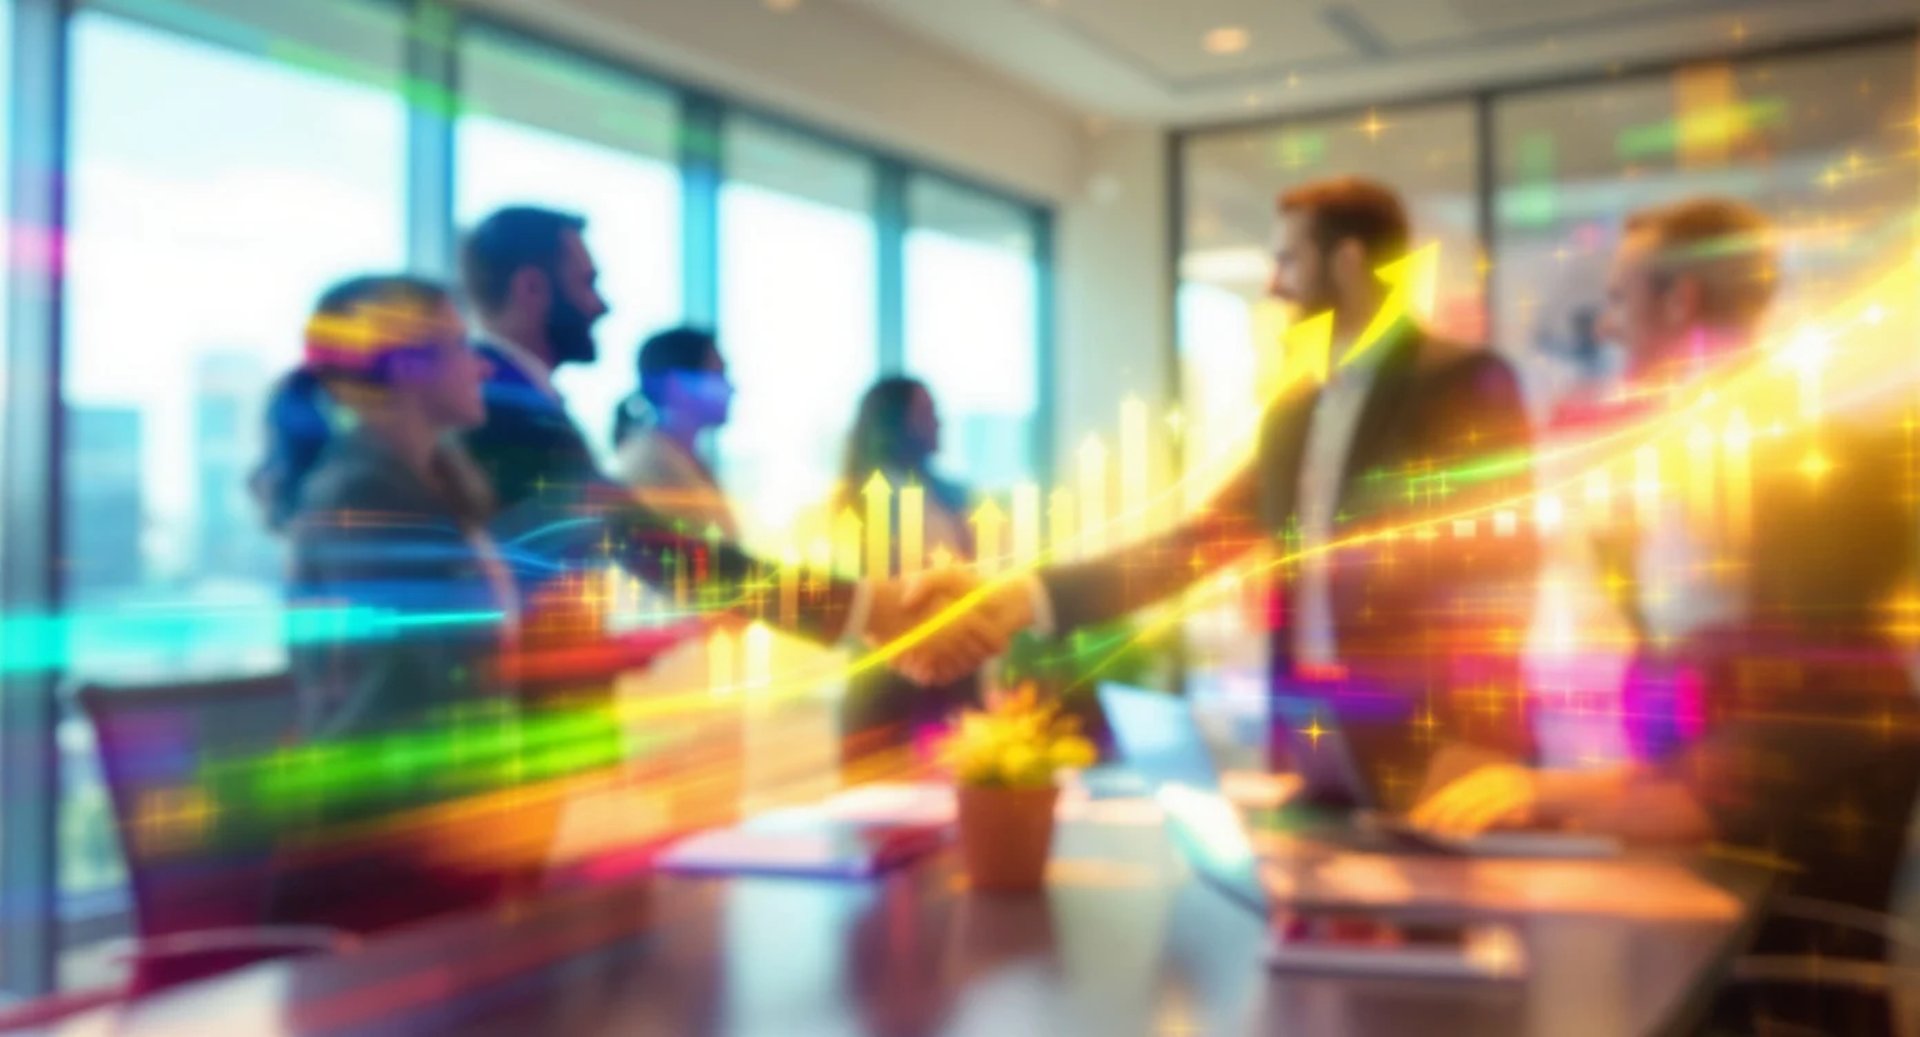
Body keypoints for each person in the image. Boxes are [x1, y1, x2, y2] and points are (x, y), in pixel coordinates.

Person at [1412, 198, 1920, 1032]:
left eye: (1621, 298)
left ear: (1680, 301)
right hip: (1709, 944)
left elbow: (1721, 781)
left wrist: (1537, 792)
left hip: (1767, 990)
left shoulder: (1806, 504)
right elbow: (1697, 764)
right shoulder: (1741, 498)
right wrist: (1519, 784)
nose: (1608, 328)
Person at [927, 177, 1540, 799]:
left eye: (1288, 260)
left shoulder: (1460, 381)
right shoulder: (1295, 412)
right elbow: (1196, 545)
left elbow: (1499, 566)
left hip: (1440, 751)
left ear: (1349, 262)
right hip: (1317, 739)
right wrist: (1026, 598)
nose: (1274, 285)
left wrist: (1476, 738)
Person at [455, 205, 986, 683]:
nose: (602, 305)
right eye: (586, 282)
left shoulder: (518, 406)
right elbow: (655, 549)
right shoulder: (506, 411)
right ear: (530, 289)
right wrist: (867, 609)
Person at [249, 274, 537, 932]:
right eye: (462, 344)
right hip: (378, 866)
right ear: (408, 364)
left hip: (429, 844)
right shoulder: (360, 495)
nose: (481, 363)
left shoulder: (428, 484)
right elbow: (418, 689)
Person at [835, 378, 978, 773]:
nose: (939, 423)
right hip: (888, 683)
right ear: (894, 423)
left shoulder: (943, 493)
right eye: (926, 413)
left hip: (951, 678)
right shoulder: (865, 499)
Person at [611, 326, 739, 541]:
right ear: (677, 384)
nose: (732, 388)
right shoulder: (646, 465)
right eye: (719, 374)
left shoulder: (687, 460)